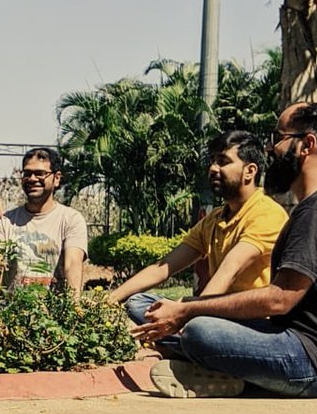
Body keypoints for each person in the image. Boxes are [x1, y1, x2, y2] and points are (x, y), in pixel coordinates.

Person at [134, 103, 317, 398]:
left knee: (201, 331)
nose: (270, 148)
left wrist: (188, 309)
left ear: (307, 144)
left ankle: (222, 369)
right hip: (299, 341)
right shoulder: (316, 206)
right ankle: (219, 367)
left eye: (277, 138)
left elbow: (279, 300)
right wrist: (182, 311)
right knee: (148, 307)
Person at [110, 130, 288, 349]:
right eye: (212, 161)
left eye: (223, 162)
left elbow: (229, 270)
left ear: (249, 171)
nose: (213, 168)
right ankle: (188, 347)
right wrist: (108, 300)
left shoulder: (267, 213)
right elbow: (163, 267)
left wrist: (189, 315)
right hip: (216, 313)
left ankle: (190, 347)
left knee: (198, 329)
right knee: (137, 302)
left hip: (253, 323)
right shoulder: (214, 219)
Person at [0, 147, 89, 297]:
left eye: (40, 173)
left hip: (54, 314)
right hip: (11, 313)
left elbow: (72, 264)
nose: (32, 179)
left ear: (56, 178)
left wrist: (74, 309)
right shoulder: (6, 222)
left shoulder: (71, 220)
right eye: (27, 173)